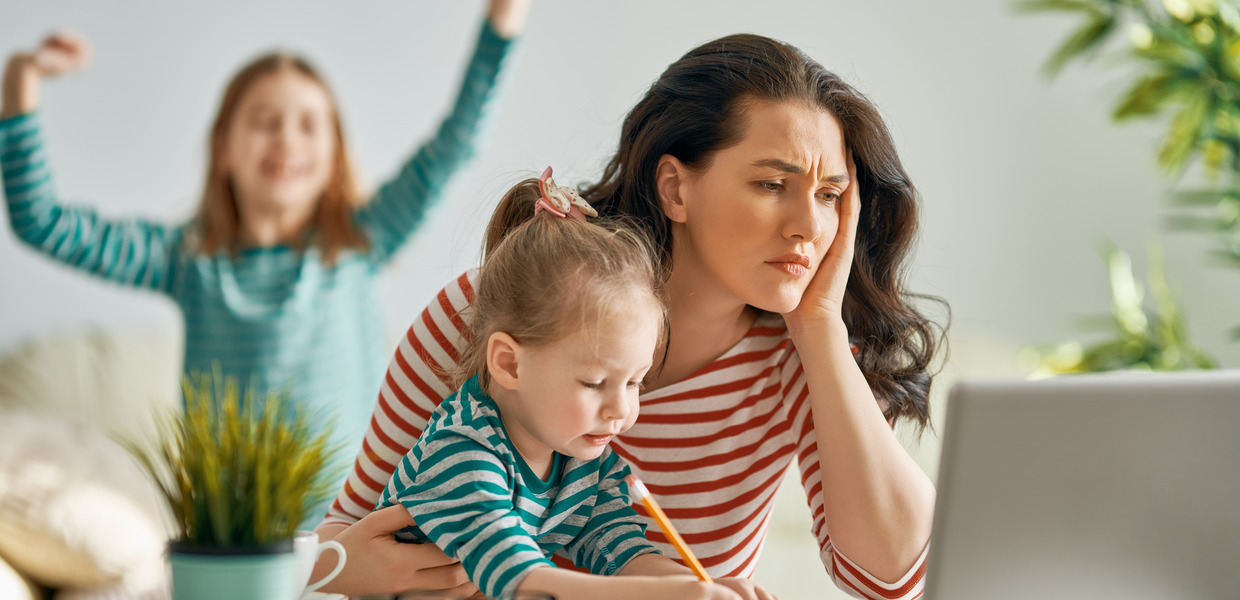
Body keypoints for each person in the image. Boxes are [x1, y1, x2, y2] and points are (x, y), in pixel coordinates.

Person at [315, 32, 942, 600]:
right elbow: (343, 535)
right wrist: (344, 569)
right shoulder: (488, 313)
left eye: (829, 196)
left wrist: (821, 326)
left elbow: (893, 580)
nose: (810, 226)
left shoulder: (800, 360)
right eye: (772, 185)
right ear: (675, 188)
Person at [0, 0, 531, 513]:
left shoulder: (359, 241)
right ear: (224, 149)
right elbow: (41, 222)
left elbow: (456, 143)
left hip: (356, 526)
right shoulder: (187, 260)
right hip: (235, 536)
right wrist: (20, 81)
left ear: (334, 157)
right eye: (264, 121)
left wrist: (503, 17)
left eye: (307, 124)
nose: (285, 138)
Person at [375, 168, 758, 600]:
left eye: (634, 382)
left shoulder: (579, 458)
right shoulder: (462, 450)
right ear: (509, 364)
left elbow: (623, 553)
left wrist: (700, 587)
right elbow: (517, 576)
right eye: (595, 383)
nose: (621, 410)